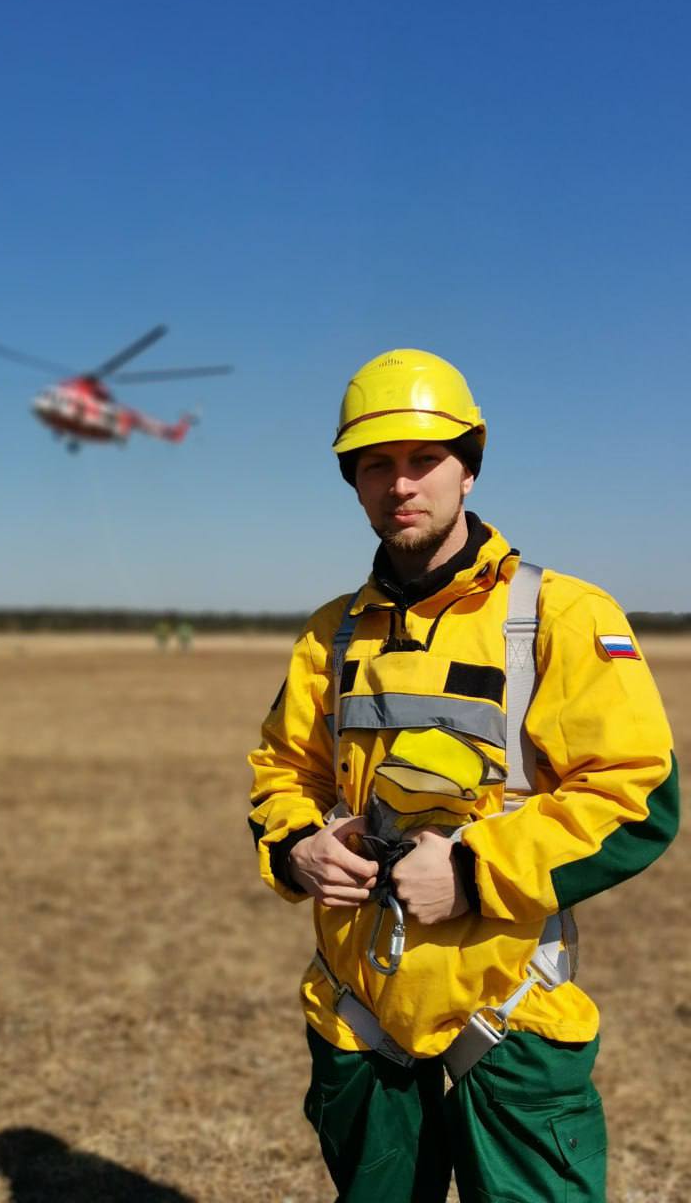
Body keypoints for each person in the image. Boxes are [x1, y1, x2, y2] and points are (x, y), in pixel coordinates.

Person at [247, 350, 678, 1203]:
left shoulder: (561, 616)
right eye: (376, 465)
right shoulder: (330, 635)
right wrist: (299, 846)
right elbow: (282, 771)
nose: (401, 484)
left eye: (424, 460)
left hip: (510, 1007)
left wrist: (476, 874)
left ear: (469, 470)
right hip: (357, 1008)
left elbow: (636, 796)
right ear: (355, 483)